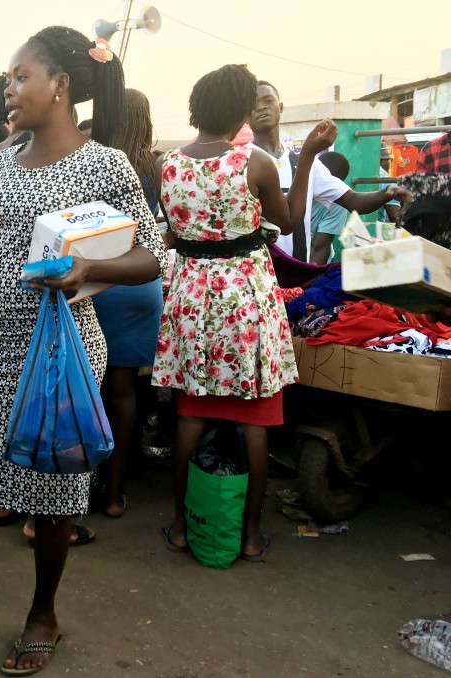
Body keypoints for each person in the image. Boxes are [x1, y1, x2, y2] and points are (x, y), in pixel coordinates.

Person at [0, 27, 167, 675]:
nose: (9, 89)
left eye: (21, 77)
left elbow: (151, 253)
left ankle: (42, 614)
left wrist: (84, 273)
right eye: (8, 77)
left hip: (66, 348)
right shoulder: (0, 160)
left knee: (51, 491)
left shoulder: (103, 163)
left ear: (63, 86)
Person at [152, 65, 337, 561]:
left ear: (196, 107)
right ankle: (251, 535)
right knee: (255, 419)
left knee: (191, 413)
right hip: (244, 297)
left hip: (192, 295)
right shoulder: (253, 162)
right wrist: (309, 159)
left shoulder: (169, 164)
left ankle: (181, 527)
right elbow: (291, 219)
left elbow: (175, 229)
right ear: (238, 111)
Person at [90, 88, 166, 518]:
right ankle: (116, 492)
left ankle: (76, 484)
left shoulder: (93, 156)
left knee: (84, 387)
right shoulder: (153, 164)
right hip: (140, 281)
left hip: (95, 280)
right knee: (123, 391)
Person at [248, 80, 410, 262]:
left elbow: (353, 201)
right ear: (245, 115)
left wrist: (388, 193)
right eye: (253, 105)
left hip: (297, 273)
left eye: (268, 100)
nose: (261, 107)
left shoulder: (304, 163)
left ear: (281, 107)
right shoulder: (242, 162)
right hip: (259, 272)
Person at [309, 151, 351, 264]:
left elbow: (320, 248)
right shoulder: (294, 186)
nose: (323, 188)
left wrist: (310, 279)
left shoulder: (338, 203)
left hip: (315, 261)